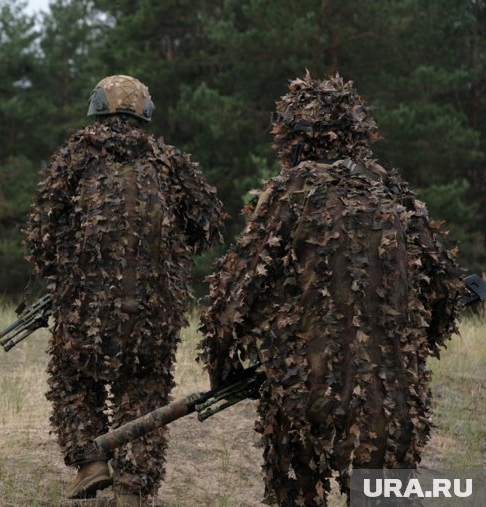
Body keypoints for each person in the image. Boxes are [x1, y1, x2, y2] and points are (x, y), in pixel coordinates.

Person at [198, 72, 462, 507]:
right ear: (358, 132)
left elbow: (233, 293)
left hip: (302, 392)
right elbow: (446, 287)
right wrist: (412, 349)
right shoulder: (396, 195)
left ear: (291, 136)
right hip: (390, 396)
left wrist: (221, 365)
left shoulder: (290, 190)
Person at [25, 75, 225, 505]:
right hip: (155, 307)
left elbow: (40, 233)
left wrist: (60, 275)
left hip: (84, 306)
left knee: (74, 377)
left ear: (97, 106)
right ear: (145, 111)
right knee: (145, 386)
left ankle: (90, 463)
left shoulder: (75, 156)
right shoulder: (168, 161)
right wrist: (171, 251)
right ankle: (133, 486)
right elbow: (208, 223)